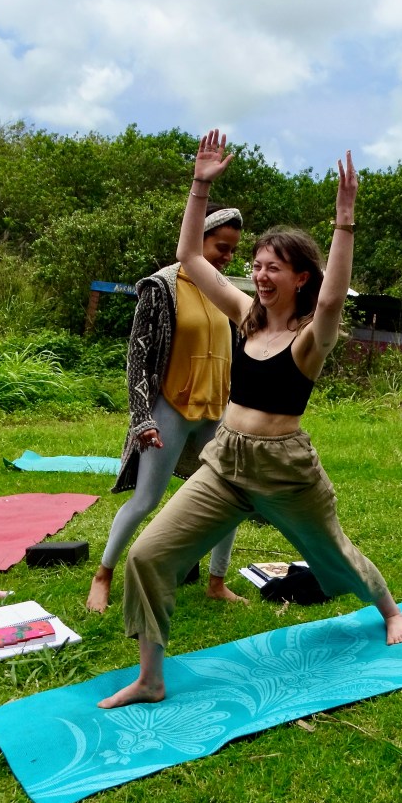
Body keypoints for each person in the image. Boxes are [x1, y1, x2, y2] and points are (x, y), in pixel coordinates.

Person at [99, 129, 402, 709]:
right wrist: (199, 186)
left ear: (301, 278)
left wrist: (344, 223)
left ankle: (390, 609)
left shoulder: (310, 338)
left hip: (285, 471)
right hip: (226, 462)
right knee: (148, 555)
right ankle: (150, 677)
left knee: (334, 554)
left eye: (275, 269)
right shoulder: (246, 315)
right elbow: (190, 257)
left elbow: (334, 298)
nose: (261, 276)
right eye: (257, 266)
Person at [86, 203, 246, 612]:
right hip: (170, 409)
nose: (228, 257)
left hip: (217, 410)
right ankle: (103, 575)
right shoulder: (161, 287)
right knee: (146, 499)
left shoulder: (224, 291)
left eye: (233, 250)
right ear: (198, 239)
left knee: (231, 496)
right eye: (221, 247)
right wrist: (142, 418)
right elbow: (137, 357)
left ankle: (216, 581)